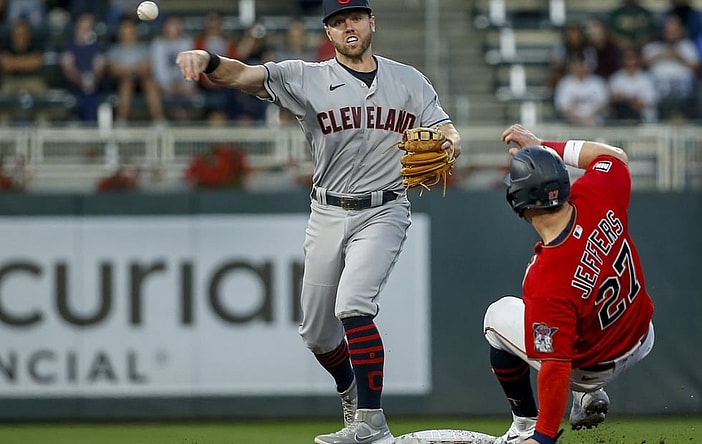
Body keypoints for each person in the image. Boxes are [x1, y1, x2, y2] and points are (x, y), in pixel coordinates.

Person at [175, 1, 461, 443]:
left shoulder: (409, 80)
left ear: (372, 22)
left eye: (355, 17)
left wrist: (450, 143)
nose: (348, 26)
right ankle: (351, 394)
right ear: (328, 33)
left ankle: (370, 421)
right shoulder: (306, 77)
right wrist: (208, 60)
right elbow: (240, 75)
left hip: (384, 209)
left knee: (353, 304)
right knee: (317, 334)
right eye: (338, 21)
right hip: (327, 211)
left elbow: (444, 129)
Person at [483, 125, 655, 444]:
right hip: (641, 334)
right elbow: (614, 156)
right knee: (573, 317)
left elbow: (555, 366)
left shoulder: (546, 277)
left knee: (496, 317)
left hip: (593, 368)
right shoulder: (597, 193)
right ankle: (586, 399)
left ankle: (524, 427)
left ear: (518, 204)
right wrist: (543, 146)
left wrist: (543, 437)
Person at [106, 17, 165, 123]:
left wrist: (126, 68)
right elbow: (113, 70)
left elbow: (147, 67)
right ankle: (121, 120)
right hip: (121, 82)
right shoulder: (115, 49)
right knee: (127, 82)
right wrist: (135, 68)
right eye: (124, 30)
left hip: (141, 81)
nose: (127, 33)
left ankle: (159, 120)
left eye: (129, 29)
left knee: (149, 82)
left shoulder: (143, 47)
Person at [59, 11, 107, 123]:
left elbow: (99, 68)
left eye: (89, 26)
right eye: (83, 26)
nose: (86, 29)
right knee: (83, 96)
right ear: (78, 26)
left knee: (92, 96)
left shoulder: (98, 47)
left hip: (94, 85)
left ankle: (91, 127)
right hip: (73, 85)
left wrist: (92, 80)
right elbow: (68, 69)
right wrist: (81, 80)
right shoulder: (68, 47)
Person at [553, 54, 609, 126]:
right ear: (572, 67)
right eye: (577, 65)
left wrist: (589, 117)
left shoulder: (598, 82)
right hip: (571, 122)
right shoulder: (565, 83)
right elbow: (562, 106)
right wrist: (579, 119)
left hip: (594, 122)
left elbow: (603, 104)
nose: (580, 68)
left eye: (582, 65)